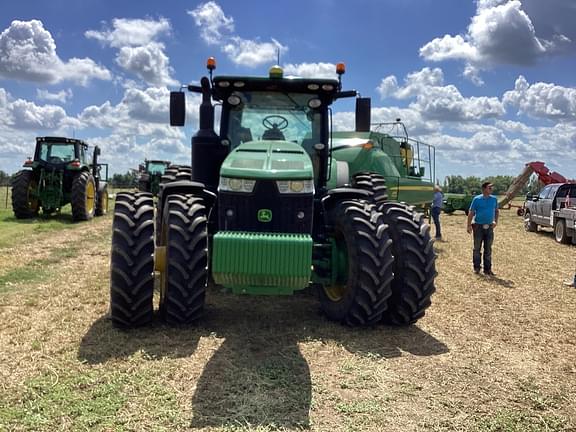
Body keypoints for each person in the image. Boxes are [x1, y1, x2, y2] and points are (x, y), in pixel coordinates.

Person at [467, 182, 499, 276]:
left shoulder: (494, 199)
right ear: (484, 189)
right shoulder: (477, 199)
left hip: (489, 227)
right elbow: (471, 212)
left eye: (491, 188)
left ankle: (487, 269)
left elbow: (496, 211)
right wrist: (469, 225)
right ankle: (477, 268)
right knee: (477, 248)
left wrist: (495, 221)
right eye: (489, 188)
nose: (491, 190)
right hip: (478, 226)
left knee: (488, 249)